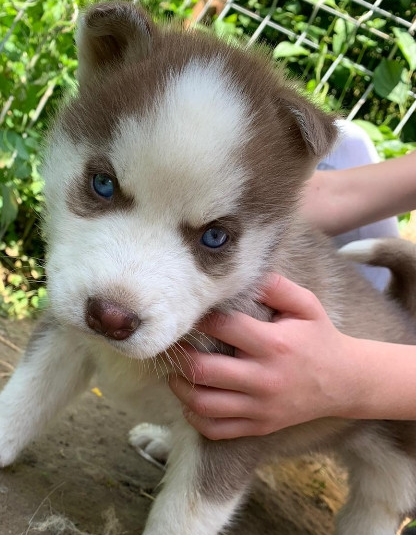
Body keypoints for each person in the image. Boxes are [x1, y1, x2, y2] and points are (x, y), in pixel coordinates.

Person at [168, 136, 416, 440]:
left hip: (392, 405)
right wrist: (261, 207)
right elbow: (342, 193)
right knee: (351, 143)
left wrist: (346, 376)